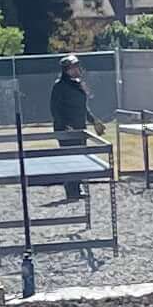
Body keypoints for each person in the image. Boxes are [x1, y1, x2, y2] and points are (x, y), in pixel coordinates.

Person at [46, 54, 96, 204]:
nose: (76, 70)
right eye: (73, 67)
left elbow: (82, 107)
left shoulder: (78, 84)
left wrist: (93, 121)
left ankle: (77, 187)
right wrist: (64, 126)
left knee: (80, 158)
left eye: (77, 66)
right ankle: (71, 190)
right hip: (67, 130)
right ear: (66, 70)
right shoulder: (59, 86)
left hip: (80, 128)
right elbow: (55, 109)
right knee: (70, 159)